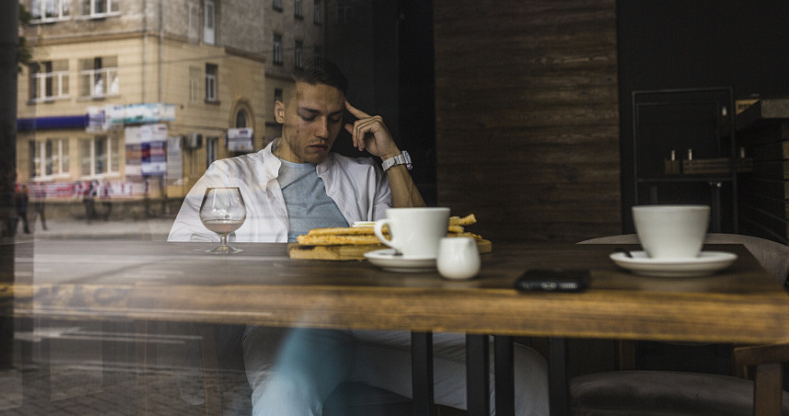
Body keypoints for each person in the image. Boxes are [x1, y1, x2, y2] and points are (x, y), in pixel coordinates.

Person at [168, 61, 549, 415]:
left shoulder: (364, 175)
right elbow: (182, 251)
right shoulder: (231, 175)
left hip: (379, 323)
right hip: (289, 328)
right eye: (309, 116)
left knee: (523, 370)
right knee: (281, 400)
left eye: (334, 119)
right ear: (281, 111)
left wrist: (390, 155)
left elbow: (421, 244)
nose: (323, 131)